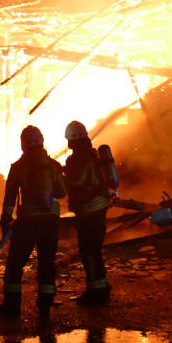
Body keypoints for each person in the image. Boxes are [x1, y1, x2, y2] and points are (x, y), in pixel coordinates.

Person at [0, 125, 66, 316]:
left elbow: (10, 197)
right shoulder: (53, 166)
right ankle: (45, 304)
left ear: (23, 144)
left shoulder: (17, 167)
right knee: (46, 262)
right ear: (42, 141)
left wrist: (5, 219)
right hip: (50, 222)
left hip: (27, 222)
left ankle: (11, 307)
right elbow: (62, 193)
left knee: (15, 263)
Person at [62, 120, 118, 306]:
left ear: (72, 140)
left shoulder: (80, 158)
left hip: (89, 209)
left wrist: (60, 178)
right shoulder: (89, 154)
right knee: (93, 251)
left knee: (89, 251)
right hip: (97, 207)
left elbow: (77, 182)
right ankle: (100, 287)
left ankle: (96, 293)